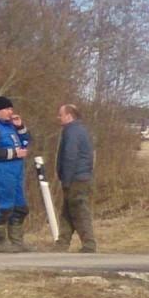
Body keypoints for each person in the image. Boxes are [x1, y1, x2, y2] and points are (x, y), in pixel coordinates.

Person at [0, 96, 32, 252]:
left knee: (20, 207)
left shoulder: (11, 126)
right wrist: (14, 153)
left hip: (16, 171)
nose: (11, 112)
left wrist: (21, 127)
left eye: (11, 109)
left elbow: (26, 141)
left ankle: (17, 241)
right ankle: (0, 242)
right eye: (7, 109)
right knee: (4, 206)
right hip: (1, 171)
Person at [53, 104, 97, 253]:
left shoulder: (72, 132)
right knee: (67, 211)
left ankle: (89, 244)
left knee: (79, 210)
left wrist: (66, 179)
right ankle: (62, 244)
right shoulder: (80, 130)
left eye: (61, 114)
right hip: (80, 176)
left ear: (69, 115)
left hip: (76, 178)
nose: (58, 117)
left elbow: (70, 157)